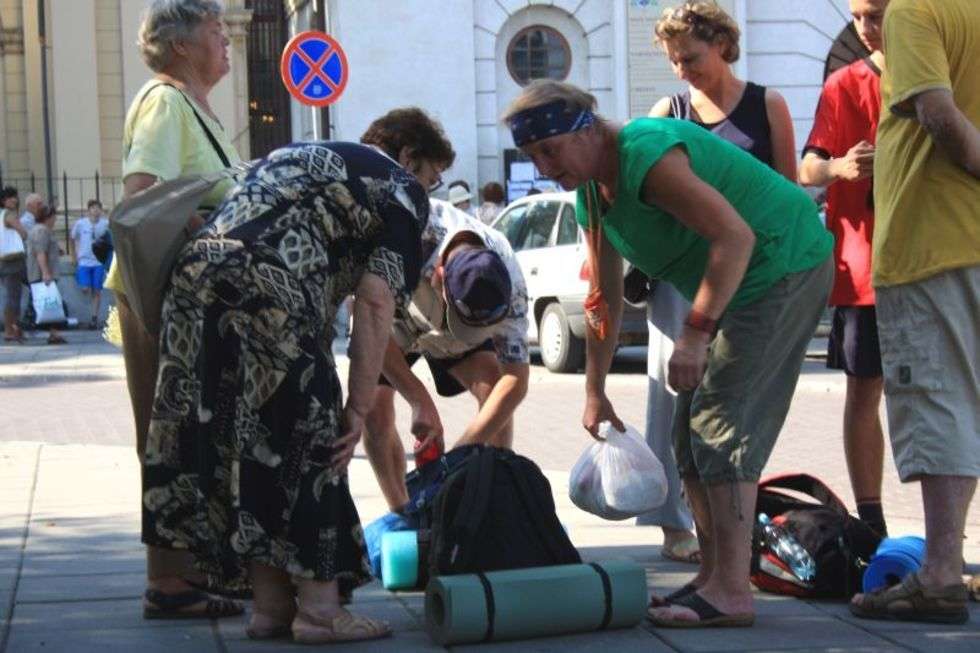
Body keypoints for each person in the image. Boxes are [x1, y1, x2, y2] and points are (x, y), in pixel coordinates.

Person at [503, 80, 832, 628]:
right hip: (741, 281)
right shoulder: (591, 193)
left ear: (586, 130)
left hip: (783, 263)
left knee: (719, 424)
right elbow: (602, 297)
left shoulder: (645, 155)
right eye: (532, 156)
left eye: (549, 150)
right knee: (685, 436)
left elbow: (735, 237)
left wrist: (696, 334)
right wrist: (594, 391)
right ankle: (712, 575)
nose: (542, 167)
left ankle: (732, 590)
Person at [144, 132, 441, 641]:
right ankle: (322, 611)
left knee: (247, 440)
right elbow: (374, 302)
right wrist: (357, 407)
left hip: (195, 274)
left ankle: (272, 607)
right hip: (271, 276)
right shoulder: (408, 202)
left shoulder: (320, 163)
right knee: (311, 442)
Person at [640, 0, 798, 567]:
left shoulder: (766, 104)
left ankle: (728, 526)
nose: (682, 70)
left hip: (752, 268)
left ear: (724, 46)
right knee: (672, 392)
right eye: (674, 60)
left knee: (734, 398)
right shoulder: (672, 108)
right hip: (686, 269)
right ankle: (672, 521)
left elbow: (787, 190)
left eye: (691, 57)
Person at [103, 0, 243, 620]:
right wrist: (211, 230)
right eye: (216, 32)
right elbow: (143, 197)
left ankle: (192, 569)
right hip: (166, 301)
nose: (228, 40)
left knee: (193, 431)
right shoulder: (165, 100)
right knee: (169, 434)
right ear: (183, 45)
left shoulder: (194, 106)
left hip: (193, 302)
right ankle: (168, 581)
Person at [849, 0, 979, 626]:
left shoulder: (917, 9)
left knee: (939, 401)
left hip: (933, 244)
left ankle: (941, 574)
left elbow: (936, 113)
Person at [358, 112, 529, 512]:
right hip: (395, 319)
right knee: (374, 411)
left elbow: (516, 380)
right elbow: (372, 331)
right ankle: (402, 512)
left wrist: (467, 446)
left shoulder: (509, 270)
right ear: (438, 277)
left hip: (447, 321)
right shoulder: (396, 239)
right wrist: (419, 400)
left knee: (492, 387)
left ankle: (491, 499)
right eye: (430, 177)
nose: (428, 187)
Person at [799, 0, 888, 537]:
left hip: (934, 261)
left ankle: (940, 525)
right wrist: (838, 166)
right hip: (864, 269)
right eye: (858, 16)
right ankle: (872, 520)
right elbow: (807, 166)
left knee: (944, 396)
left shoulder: (946, 71)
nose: (865, 26)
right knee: (864, 391)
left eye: (875, 13)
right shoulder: (844, 84)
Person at [26, 204, 66, 345]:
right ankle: (17, 327)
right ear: (48, 217)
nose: (55, 219)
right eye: (54, 216)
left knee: (50, 304)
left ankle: (53, 334)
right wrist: (46, 273)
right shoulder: (41, 231)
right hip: (41, 274)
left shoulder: (43, 230)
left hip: (43, 273)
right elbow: (40, 252)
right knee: (49, 304)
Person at [71, 199, 110, 330]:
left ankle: (94, 318)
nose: (96, 210)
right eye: (93, 208)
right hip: (84, 261)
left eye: (98, 208)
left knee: (97, 290)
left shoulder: (105, 224)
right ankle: (84, 284)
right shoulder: (81, 224)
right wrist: (74, 256)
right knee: (85, 288)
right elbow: (73, 238)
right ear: (88, 210)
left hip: (98, 262)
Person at [0, 187, 27, 342]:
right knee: (13, 296)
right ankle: (10, 329)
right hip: (13, 261)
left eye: (15, 197)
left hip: (4, 260)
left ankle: (12, 328)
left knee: (12, 295)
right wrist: (24, 233)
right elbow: (22, 231)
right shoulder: (9, 215)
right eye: (10, 198)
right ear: (4, 201)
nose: (14, 200)